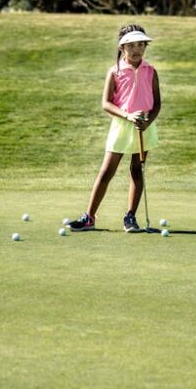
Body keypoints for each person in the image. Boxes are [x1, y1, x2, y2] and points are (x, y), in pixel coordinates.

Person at [68, 23, 161, 233]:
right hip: (122, 124)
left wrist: (148, 122)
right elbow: (106, 103)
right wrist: (128, 115)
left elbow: (157, 104)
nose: (136, 50)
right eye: (131, 45)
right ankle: (89, 217)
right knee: (106, 171)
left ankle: (130, 218)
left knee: (137, 170)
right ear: (122, 48)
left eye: (140, 45)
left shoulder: (151, 71)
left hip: (144, 126)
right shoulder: (115, 71)